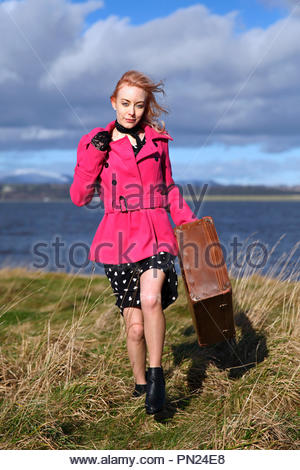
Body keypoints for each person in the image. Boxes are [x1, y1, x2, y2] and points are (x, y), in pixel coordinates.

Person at [70, 70, 197, 414]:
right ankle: (140, 382)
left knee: (151, 298)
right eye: (125, 103)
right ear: (113, 103)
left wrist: (189, 223)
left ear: (145, 107)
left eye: (139, 105)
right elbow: (79, 197)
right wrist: (95, 155)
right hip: (118, 240)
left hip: (156, 231)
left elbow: (169, 188)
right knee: (136, 328)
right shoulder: (96, 142)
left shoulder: (158, 141)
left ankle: (157, 380)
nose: (131, 111)